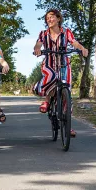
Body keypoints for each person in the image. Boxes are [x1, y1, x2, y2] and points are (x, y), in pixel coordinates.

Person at [33, 8, 88, 137]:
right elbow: (38, 44)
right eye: (47, 18)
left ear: (58, 18)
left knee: (66, 92)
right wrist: (37, 50)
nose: (49, 20)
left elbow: (74, 43)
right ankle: (47, 100)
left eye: (52, 17)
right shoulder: (43, 33)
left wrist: (82, 48)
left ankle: (68, 126)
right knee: (51, 76)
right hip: (49, 63)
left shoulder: (66, 32)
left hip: (64, 64)